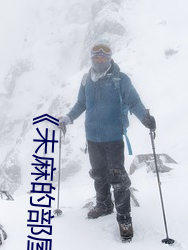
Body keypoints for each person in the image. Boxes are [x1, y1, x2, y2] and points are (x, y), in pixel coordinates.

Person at [59, 39, 156, 242]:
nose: (100, 57)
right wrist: (68, 118)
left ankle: (124, 219)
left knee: (118, 178)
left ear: (110, 57)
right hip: (92, 137)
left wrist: (144, 118)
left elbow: (134, 101)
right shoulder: (87, 79)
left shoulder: (120, 79)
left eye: (105, 54)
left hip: (113, 138)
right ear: (91, 57)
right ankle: (103, 205)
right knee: (98, 173)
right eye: (96, 54)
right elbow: (81, 103)